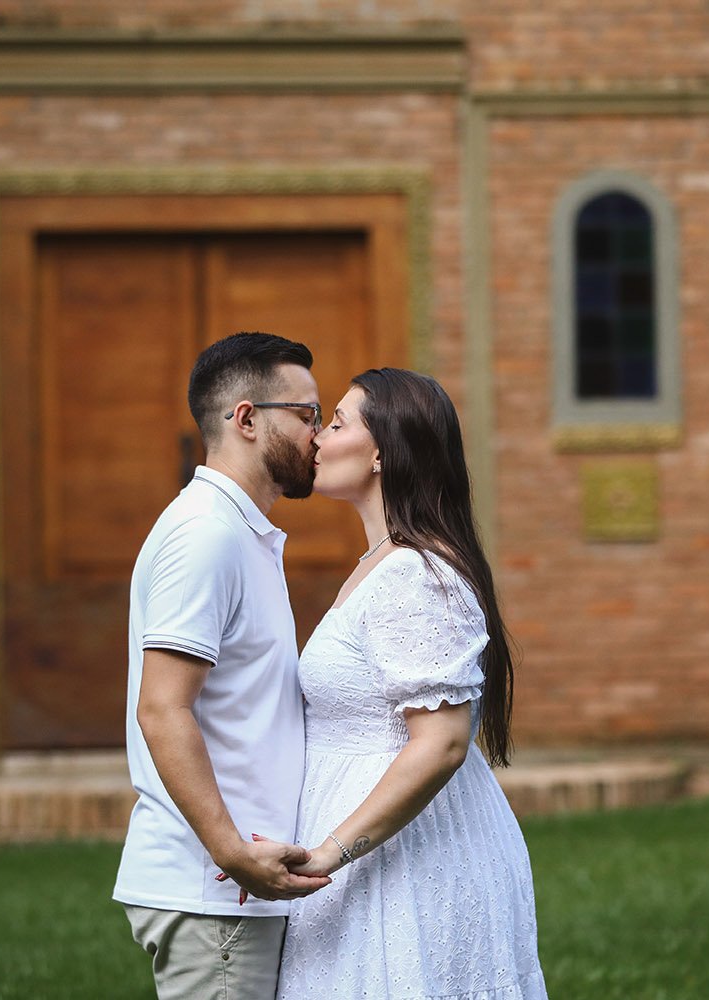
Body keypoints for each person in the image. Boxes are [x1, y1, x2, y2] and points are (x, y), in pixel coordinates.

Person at [276, 368, 549, 999]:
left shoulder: (416, 577)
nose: (317, 437)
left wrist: (330, 853)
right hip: (365, 843)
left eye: (336, 423)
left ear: (382, 452)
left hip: (404, 853)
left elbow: (441, 743)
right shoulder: (382, 564)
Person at [114, 332, 334, 1000]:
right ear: (246, 419)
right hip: (214, 894)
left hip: (239, 888)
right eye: (306, 415)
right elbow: (162, 707)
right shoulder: (207, 534)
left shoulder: (240, 533)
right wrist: (231, 852)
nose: (319, 434)